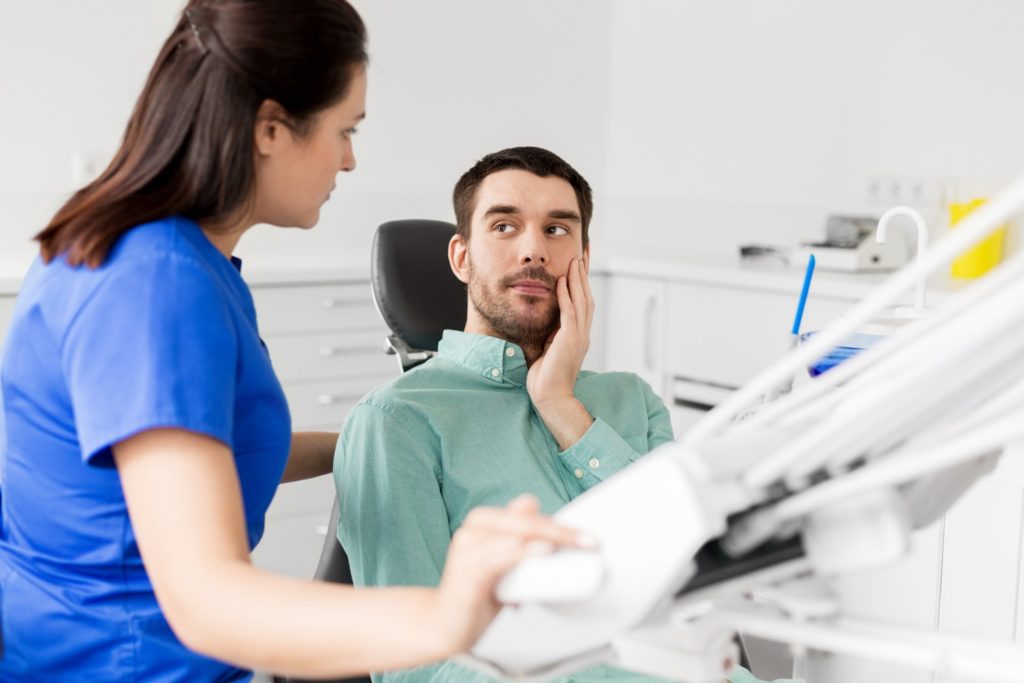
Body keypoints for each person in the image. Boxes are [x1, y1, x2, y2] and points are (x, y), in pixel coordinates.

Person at [0, 5, 585, 681]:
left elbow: (198, 455)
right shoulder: (155, 285)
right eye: (345, 129)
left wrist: (392, 435)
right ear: (272, 128)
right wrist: (444, 615)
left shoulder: (169, 257)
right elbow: (208, 602)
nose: (350, 158)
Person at [334, 146, 681, 682]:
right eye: (504, 226)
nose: (533, 251)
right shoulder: (396, 422)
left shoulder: (633, 400)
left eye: (557, 230)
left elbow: (689, 571)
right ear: (461, 256)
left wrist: (562, 407)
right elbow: (414, 670)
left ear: (583, 258)